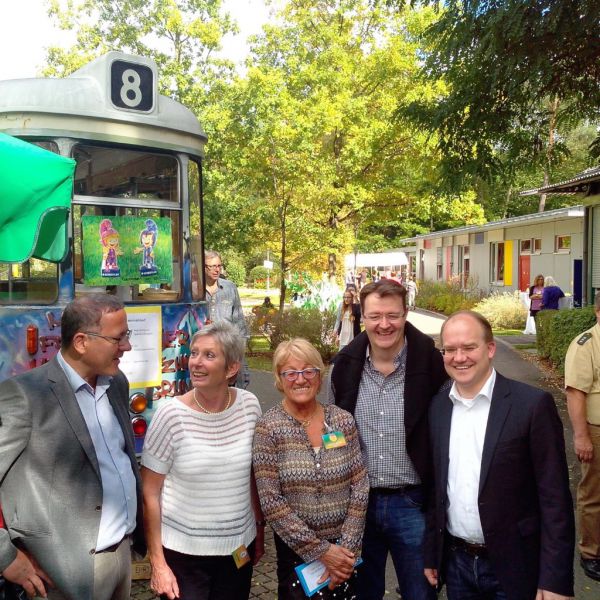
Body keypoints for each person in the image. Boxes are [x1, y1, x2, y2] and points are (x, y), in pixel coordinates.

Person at [0, 294, 145, 600]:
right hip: (61, 572)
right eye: (119, 338)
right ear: (81, 342)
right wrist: (5, 557)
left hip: (121, 554)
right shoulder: (24, 396)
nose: (127, 347)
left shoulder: (116, 384)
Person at [424, 310, 574, 600]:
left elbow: (555, 498)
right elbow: (437, 489)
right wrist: (433, 552)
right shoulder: (439, 406)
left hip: (515, 566)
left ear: (490, 349)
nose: (459, 357)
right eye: (450, 350)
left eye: (469, 347)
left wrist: (555, 579)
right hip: (458, 565)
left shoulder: (531, 406)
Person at [329, 279, 448, 600]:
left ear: (406, 313)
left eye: (393, 315)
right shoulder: (344, 367)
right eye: (375, 316)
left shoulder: (432, 365)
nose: (384, 324)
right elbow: (333, 432)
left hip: (412, 503)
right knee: (362, 593)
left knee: (420, 593)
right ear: (362, 317)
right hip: (358, 507)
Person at [141, 321, 264, 600]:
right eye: (194, 353)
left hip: (237, 551)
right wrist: (158, 564)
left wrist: (258, 528)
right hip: (184, 557)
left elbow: (252, 476)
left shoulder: (249, 405)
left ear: (231, 368)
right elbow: (149, 492)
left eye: (209, 355)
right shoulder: (171, 416)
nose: (196, 362)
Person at [253, 339, 369, 599]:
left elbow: (359, 484)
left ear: (320, 374)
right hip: (296, 553)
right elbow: (271, 500)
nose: (300, 379)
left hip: (345, 552)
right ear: (280, 379)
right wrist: (321, 552)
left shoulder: (341, 421)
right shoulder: (269, 428)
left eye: (309, 371)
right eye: (290, 373)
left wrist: (345, 552)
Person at [564, 291, 600, 582]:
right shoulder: (587, 343)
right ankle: (591, 552)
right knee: (593, 494)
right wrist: (581, 437)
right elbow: (575, 393)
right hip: (597, 431)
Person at [204, 250, 250, 388]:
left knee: (239, 383)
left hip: (228, 348)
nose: (217, 269)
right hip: (207, 351)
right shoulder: (194, 290)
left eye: (219, 265)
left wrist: (241, 347)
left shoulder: (229, 288)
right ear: (203, 267)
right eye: (212, 266)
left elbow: (239, 319)